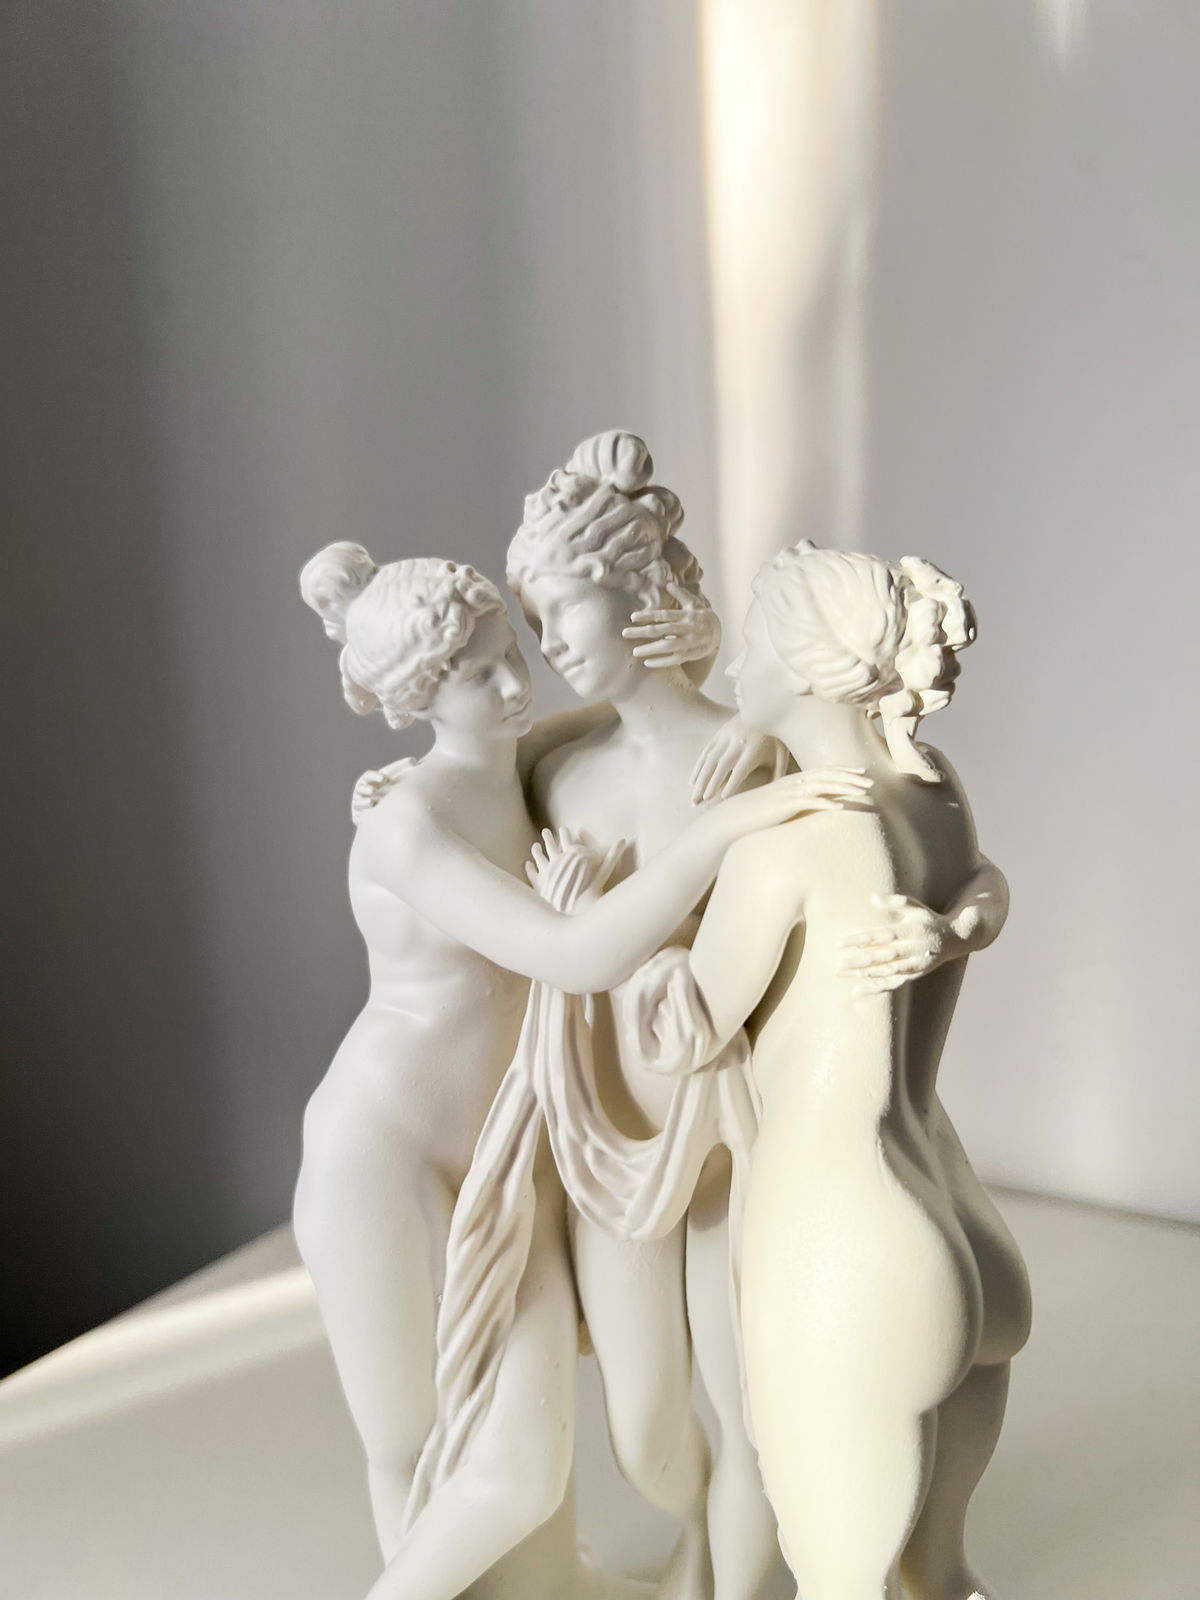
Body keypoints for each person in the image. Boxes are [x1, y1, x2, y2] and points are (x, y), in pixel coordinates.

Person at [293, 545, 865, 1600]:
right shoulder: (407, 825)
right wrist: (725, 828)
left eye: (511, 652)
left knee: (528, 1462)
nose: (516, 683)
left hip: (507, 1161)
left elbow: (624, 718)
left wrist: (741, 707)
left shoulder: (519, 763)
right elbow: (573, 952)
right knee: (414, 1443)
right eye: (478, 674)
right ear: (416, 699)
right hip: (382, 1152)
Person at [505, 434, 1011, 1600]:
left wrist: (613, 936)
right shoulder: (917, 786)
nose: (550, 644)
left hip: (764, 1153)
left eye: (565, 608)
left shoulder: (779, 790)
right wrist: (422, 778)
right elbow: (971, 876)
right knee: (659, 1430)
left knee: (777, 1443)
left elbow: (700, 1009)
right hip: (686, 1141)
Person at [627, 542, 1033, 1600]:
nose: (736, 662)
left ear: (808, 664)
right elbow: (988, 888)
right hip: (951, 1201)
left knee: (842, 1580)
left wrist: (645, 948)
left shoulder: (789, 844)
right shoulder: (932, 788)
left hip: (840, 1234)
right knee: (940, 1575)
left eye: (754, 640)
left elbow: (685, 1034)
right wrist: (951, 932)